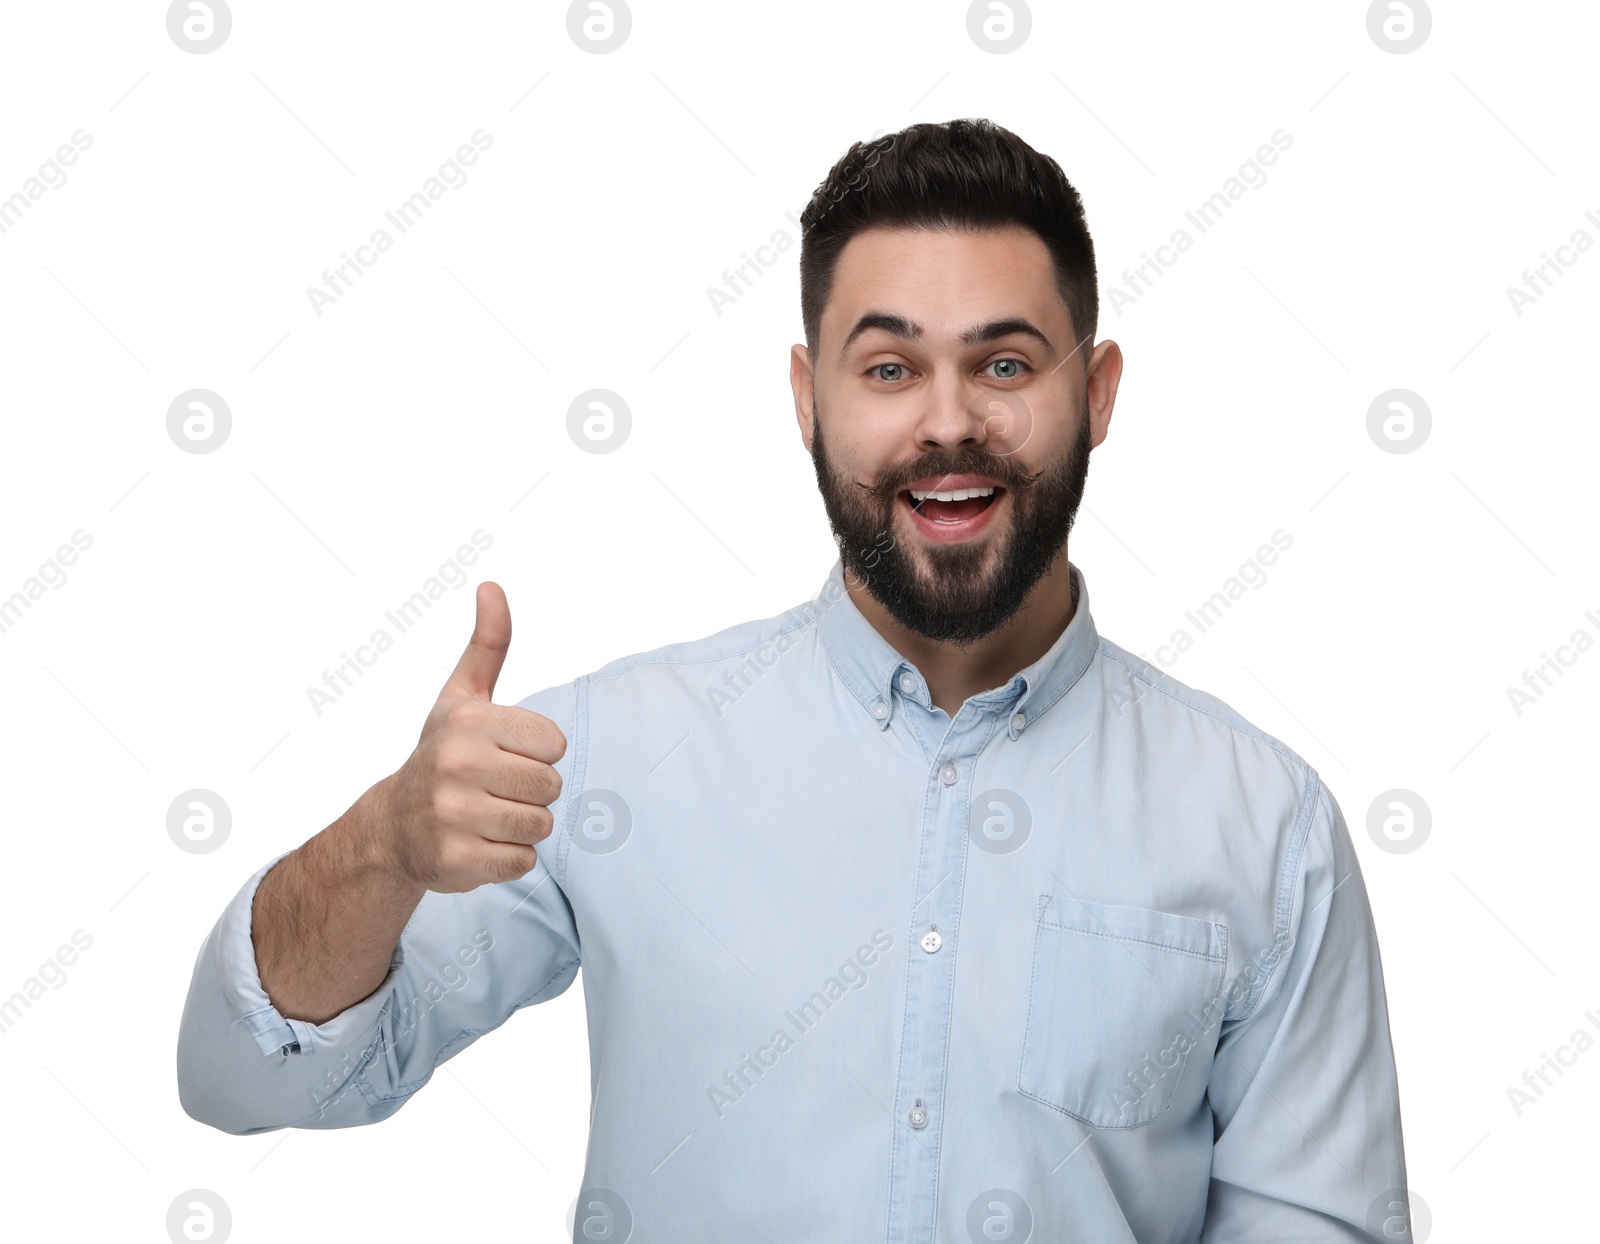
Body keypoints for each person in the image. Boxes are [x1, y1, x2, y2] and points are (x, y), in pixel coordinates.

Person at [177, 117, 1408, 1241]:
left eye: (1004, 365)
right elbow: (248, 1077)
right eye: (885, 368)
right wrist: (384, 841)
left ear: (1093, 396)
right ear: (806, 403)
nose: (946, 423)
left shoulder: (1264, 825)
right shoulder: (607, 759)